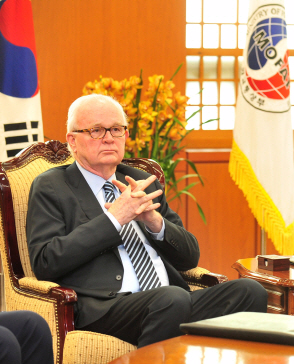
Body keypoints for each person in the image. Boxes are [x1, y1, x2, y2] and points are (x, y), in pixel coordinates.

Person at [26, 94, 267, 348]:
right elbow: (45, 261)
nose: (108, 137)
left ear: (125, 137)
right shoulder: (52, 186)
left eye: (116, 129)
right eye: (96, 130)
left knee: (250, 292)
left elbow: (189, 257)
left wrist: (154, 222)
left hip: (171, 300)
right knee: (170, 300)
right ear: (72, 141)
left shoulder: (140, 179)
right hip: (106, 307)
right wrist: (115, 219)